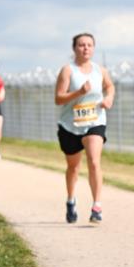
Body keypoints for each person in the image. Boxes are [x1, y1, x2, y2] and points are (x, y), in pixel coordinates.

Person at [54, 33, 115, 224]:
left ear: (93, 48)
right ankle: (71, 200)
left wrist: (108, 98)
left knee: (94, 162)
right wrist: (79, 92)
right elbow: (58, 99)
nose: (86, 48)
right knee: (73, 167)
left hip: (95, 121)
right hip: (70, 124)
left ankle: (97, 206)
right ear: (74, 48)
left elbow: (110, 86)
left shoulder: (100, 70)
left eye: (89, 45)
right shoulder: (68, 71)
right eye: (81, 45)